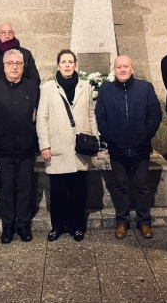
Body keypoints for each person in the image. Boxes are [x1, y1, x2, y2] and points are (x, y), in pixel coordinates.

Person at [95, 55, 162, 240]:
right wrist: (111, 136)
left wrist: (146, 133)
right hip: (118, 148)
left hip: (141, 147)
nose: (122, 69)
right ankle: (122, 221)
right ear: (114, 70)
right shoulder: (106, 91)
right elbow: (100, 116)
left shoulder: (145, 88)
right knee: (120, 186)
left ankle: (144, 222)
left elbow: (155, 112)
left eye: (126, 66)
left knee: (142, 185)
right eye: (119, 67)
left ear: (132, 68)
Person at [36, 50, 99, 242]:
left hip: (80, 147)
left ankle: (77, 226)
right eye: (63, 62)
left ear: (75, 65)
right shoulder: (48, 87)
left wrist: (94, 139)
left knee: (79, 190)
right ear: (58, 65)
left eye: (70, 62)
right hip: (57, 146)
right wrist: (44, 144)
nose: (67, 65)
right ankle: (58, 226)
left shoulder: (85, 86)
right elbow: (42, 117)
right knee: (58, 191)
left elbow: (91, 114)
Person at [0, 49, 40, 244]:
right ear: (4, 67)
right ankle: (8, 225)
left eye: (18, 63)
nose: (14, 67)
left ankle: (23, 224)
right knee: (6, 188)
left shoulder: (33, 88)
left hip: (26, 147)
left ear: (23, 66)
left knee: (25, 187)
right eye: (10, 63)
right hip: (4, 148)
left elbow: (41, 114)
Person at [0, 23, 40, 97]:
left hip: (22, 98)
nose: (7, 36)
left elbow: (34, 78)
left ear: (14, 34)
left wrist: (27, 96)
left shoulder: (25, 54)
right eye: (3, 33)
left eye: (10, 32)